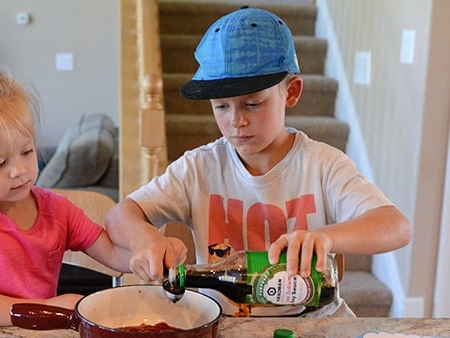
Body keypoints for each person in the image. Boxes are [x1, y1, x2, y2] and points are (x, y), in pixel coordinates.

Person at [105, 7, 411, 316]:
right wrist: (146, 238)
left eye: (253, 103)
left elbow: (396, 226)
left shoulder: (323, 164)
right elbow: (120, 215)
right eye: (221, 106)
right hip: (225, 328)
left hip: (315, 328)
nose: (236, 121)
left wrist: (326, 237)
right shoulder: (198, 168)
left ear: (291, 92)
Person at [0, 63, 133, 326]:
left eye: (27, 151)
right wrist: (47, 308)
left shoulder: (58, 210)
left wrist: (149, 253)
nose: (19, 170)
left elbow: (112, 252)